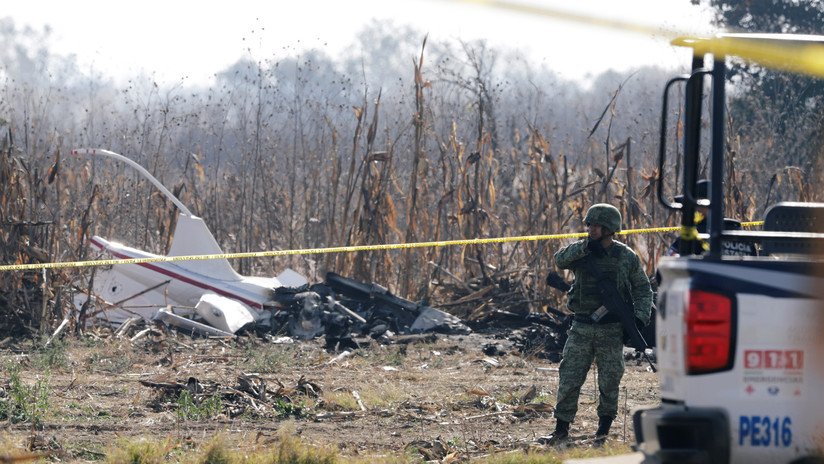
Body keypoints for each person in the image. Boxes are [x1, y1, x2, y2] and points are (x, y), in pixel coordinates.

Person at [540, 203, 653, 447]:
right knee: (569, 377)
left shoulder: (626, 257)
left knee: (610, 381)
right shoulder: (582, 252)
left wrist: (640, 317)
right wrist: (583, 248)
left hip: (611, 330)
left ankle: (602, 433)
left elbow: (643, 289)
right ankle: (560, 430)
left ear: (610, 228)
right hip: (581, 327)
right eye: (590, 224)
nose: (592, 229)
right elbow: (560, 260)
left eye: (598, 225)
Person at [666, 179, 757, 257]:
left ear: (703, 207)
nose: (686, 211)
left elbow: (664, 271)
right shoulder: (745, 240)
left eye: (691, 206)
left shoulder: (692, 238)